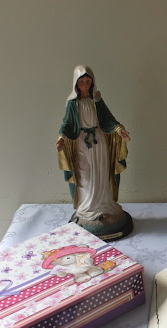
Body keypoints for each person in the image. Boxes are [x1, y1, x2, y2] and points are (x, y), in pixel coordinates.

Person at [56, 65, 133, 240]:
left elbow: (108, 119)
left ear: (92, 82)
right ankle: (87, 209)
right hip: (82, 142)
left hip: (99, 141)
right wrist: (61, 137)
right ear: (76, 83)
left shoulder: (96, 100)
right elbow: (67, 123)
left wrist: (119, 129)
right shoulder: (73, 103)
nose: (85, 85)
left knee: (101, 173)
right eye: (81, 82)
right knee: (85, 175)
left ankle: (104, 206)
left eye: (88, 81)